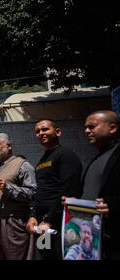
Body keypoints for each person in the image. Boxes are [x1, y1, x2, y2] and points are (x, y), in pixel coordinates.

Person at [27, 119, 82, 260]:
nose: (40, 133)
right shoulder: (40, 162)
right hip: (42, 224)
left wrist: (49, 219)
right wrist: (33, 215)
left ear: (58, 132)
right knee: (45, 254)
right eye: (37, 131)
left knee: (59, 255)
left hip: (58, 222)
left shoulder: (66, 155)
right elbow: (38, 191)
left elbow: (69, 190)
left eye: (45, 129)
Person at [67, 110, 120, 259]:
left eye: (92, 126)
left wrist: (112, 206)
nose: (86, 131)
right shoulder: (96, 158)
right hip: (98, 242)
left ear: (113, 128)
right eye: (86, 127)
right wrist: (73, 203)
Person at [0, 133, 37, 260]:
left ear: (9, 146)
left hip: (12, 223)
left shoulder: (22, 165)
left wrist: (8, 188)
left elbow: (32, 194)